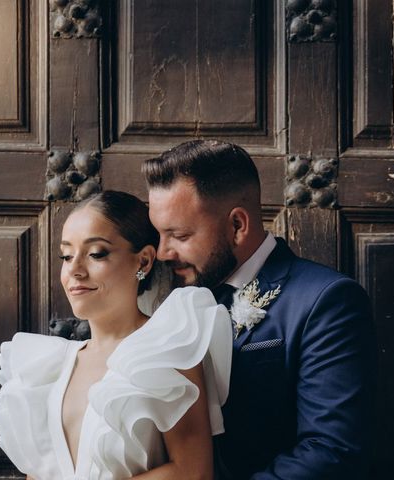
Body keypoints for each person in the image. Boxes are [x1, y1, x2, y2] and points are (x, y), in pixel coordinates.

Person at [143, 140, 377, 479]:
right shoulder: (160, 294)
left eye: (178, 235)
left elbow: (331, 451)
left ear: (238, 226)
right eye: (158, 234)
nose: (163, 252)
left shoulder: (326, 301)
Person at [0, 191, 232, 480]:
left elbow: (193, 473)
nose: (75, 270)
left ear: (143, 261)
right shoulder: (48, 367)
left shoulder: (168, 351)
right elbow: (40, 471)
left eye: (96, 254)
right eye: (66, 256)